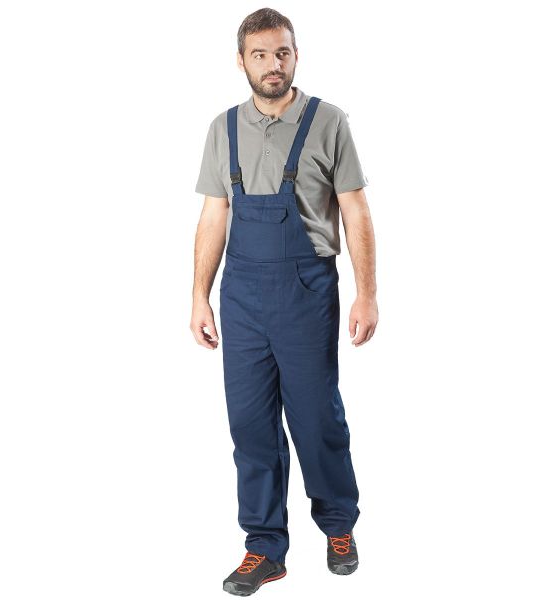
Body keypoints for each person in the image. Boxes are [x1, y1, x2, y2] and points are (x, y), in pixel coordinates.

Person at [191, 8, 378, 596]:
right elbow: (214, 214)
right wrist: (199, 296)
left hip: (305, 289)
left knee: (316, 417)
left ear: (296, 55)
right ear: (241, 61)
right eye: (261, 54)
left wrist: (367, 294)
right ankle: (264, 547)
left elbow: (355, 209)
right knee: (250, 425)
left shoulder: (328, 121)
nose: (273, 64)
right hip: (242, 294)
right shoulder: (223, 128)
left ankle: (338, 526)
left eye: (283, 53)